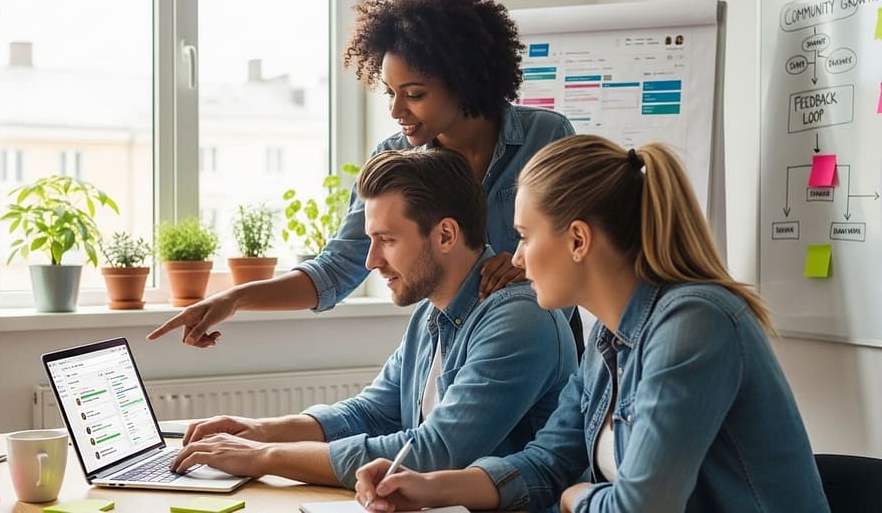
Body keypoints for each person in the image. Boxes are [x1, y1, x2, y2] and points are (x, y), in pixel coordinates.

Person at [354, 136, 830, 512]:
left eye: (523, 236)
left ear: (578, 240)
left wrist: (575, 497)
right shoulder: (609, 336)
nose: (515, 257)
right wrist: (429, 488)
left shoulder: (693, 325)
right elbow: (547, 462)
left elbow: (642, 506)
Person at [146, 0, 580, 353]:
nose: (397, 111)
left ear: (464, 82)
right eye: (390, 93)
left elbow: (586, 248)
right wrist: (233, 299)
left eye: (414, 94)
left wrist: (525, 262)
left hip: (542, 355)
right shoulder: (395, 161)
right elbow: (337, 269)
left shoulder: (546, 137)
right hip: (456, 356)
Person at [168, 148, 577, 489]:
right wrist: (260, 430)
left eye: (387, 240)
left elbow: (433, 454)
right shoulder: (431, 312)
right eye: (371, 240)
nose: (371, 260)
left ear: (446, 235)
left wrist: (265, 457)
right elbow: (372, 412)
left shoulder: (517, 319)